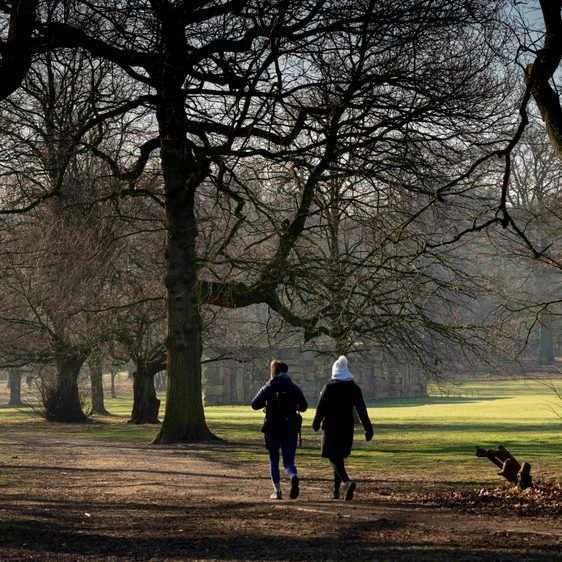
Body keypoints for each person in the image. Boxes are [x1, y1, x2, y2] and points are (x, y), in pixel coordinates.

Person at [312, 355, 373, 501]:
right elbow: (361, 410)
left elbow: (321, 408)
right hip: (346, 427)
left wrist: (316, 422)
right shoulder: (354, 388)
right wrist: (368, 428)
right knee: (339, 458)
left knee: (333, 458)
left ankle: (347, 482)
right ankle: (336, 490)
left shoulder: (329, 387)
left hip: (331, 427)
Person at [251, 360, 308, 500]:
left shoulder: (268, 387)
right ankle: (293, 476)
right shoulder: (293, 387)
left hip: (272, 428)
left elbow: (254, 404)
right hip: (290, 428)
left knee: (274, 461)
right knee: (289, 461)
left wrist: (268, 403)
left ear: (273, 371)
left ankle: (277, 491)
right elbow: (304, 406)